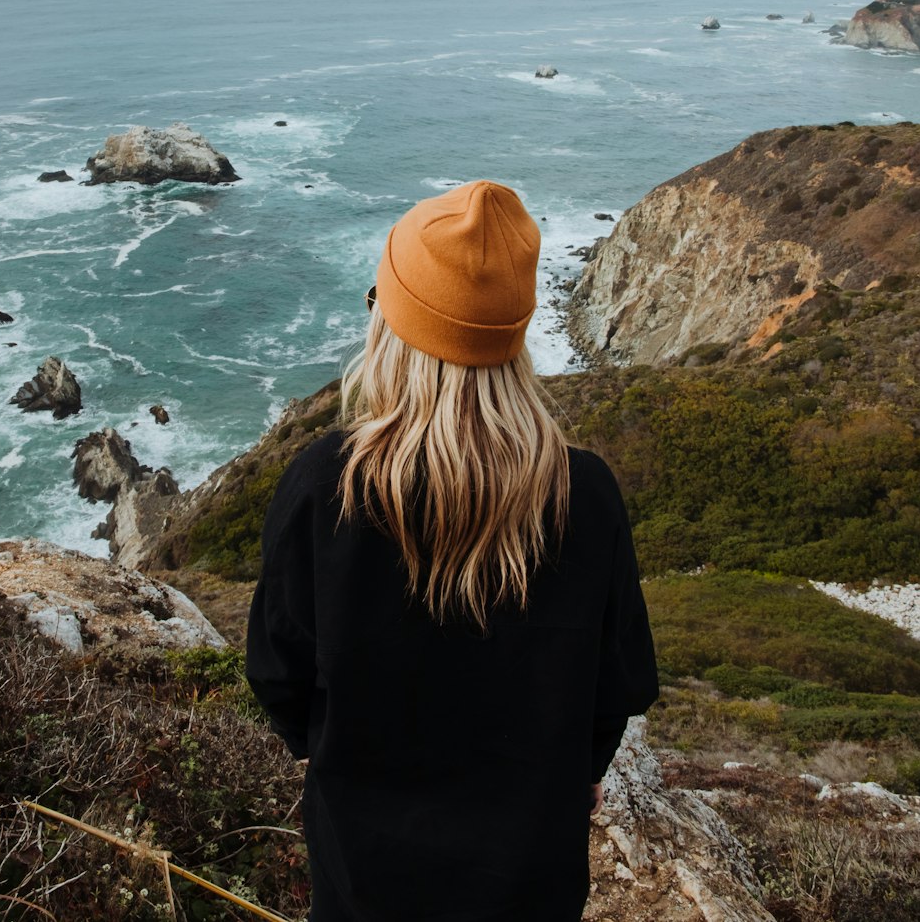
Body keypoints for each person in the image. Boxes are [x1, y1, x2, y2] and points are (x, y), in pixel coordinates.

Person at [247, 180, 659, 922]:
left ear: (391, 325)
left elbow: (278, 673)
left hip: (364, 879)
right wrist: (584, 769)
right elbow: (619, 682)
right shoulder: (585, 494)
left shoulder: (324, 486)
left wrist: (329, 750)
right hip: (529, 880)